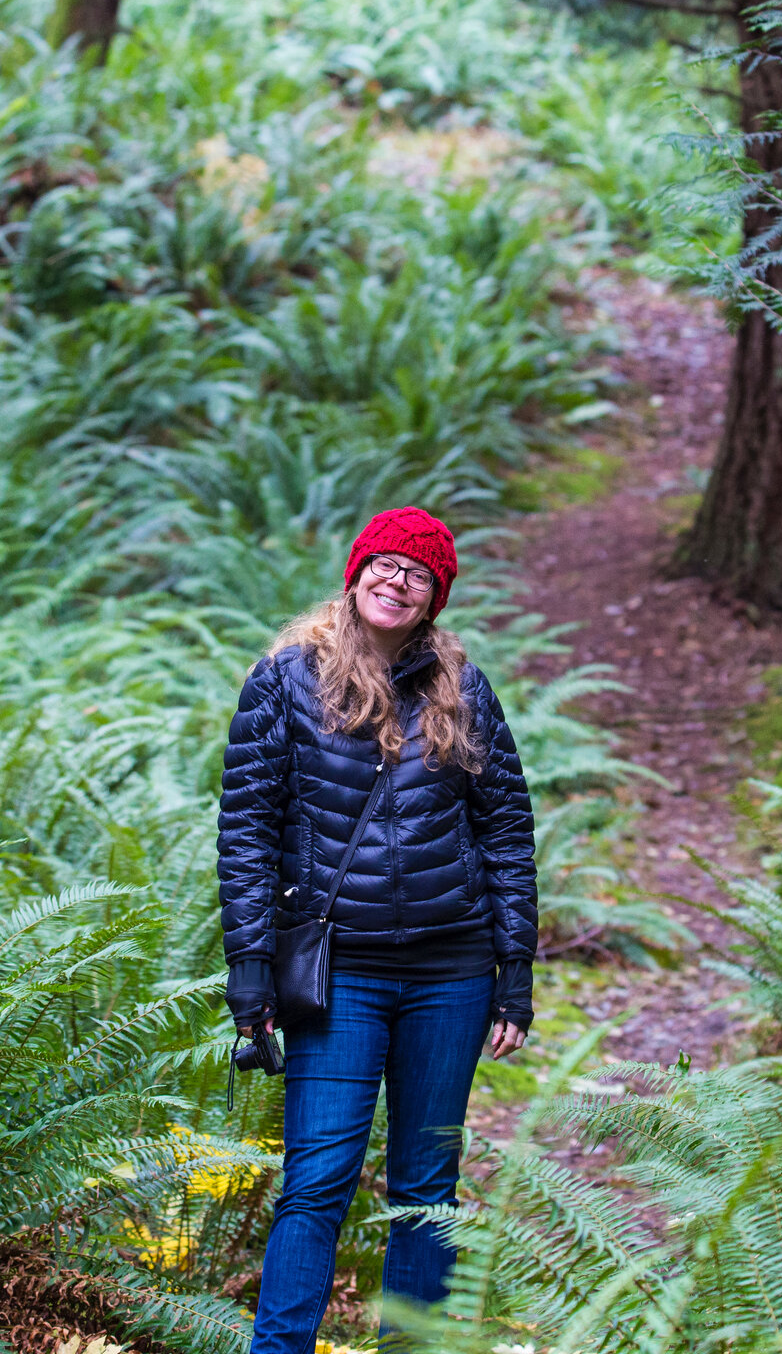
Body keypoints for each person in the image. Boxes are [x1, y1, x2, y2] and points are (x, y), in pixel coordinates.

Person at [217, 506, 537, 1354]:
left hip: (453, 973)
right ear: (356, 575)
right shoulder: (285, 680)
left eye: (418, 573)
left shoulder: (464, 690)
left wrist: (516, 970)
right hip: (339, 974)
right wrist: (249, 966)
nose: (397, 581)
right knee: (316, 1179)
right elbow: (247, 830)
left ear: (435, 597)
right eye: (385, 566)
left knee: (426, 1189)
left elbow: (505, 830)